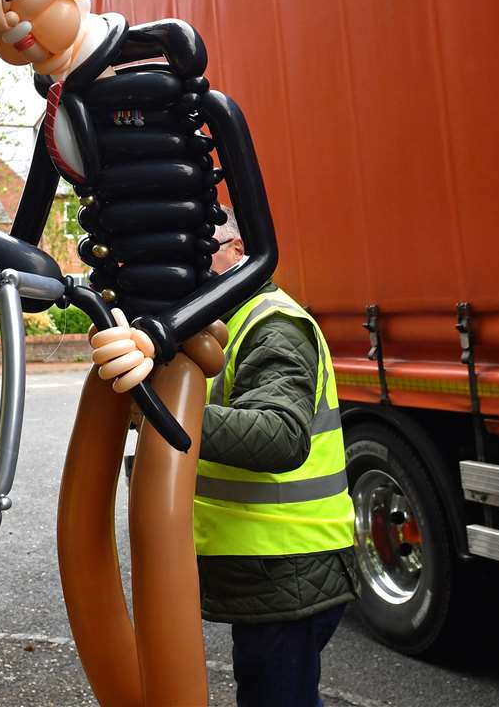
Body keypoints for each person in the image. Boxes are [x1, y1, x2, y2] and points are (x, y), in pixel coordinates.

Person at [195, 209, 356, 707]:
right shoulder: (226, 323)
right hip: (271, 566)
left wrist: (165, 418)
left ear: (239, 252)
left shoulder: (273, 326)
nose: (194, 268)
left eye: (205, 252)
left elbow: (280, 435)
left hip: (288, 565)